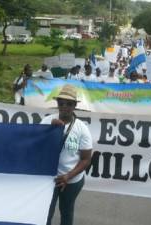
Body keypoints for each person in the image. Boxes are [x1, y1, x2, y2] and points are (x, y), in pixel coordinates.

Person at [41, 84, 92, 225]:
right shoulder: (47, 122)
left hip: (72, 180)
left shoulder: (82, 129)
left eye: (69, 103)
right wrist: (49, 131)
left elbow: (86, 159)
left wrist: (68, 176)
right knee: (46, 213)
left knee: (67, 212)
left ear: (74, 105)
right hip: (49, 179)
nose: (64, 106)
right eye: (61, 103)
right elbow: (37, 148)